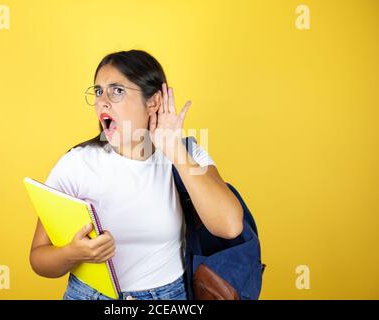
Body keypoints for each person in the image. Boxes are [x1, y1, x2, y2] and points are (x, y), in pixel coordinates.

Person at [29, 49, 244, 300]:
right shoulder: (76, 163)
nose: (102, 101)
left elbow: (229, 227)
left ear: (152, 102)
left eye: (117, 90)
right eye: (98, 91)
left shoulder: (186, 154)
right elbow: (38, 258)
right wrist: (74, 253)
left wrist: (173, 148)